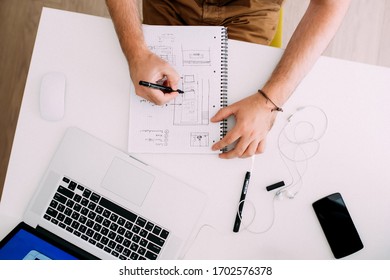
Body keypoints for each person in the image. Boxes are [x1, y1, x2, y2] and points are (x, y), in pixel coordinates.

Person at [105, 0, 350, 159]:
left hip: (250, 9)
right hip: (169, 4)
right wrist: (136, 52)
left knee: (233, 134)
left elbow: (330, 4)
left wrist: (269, 102)